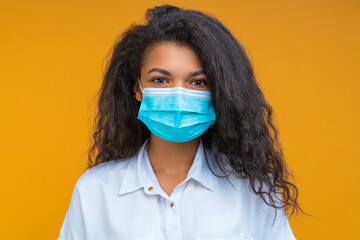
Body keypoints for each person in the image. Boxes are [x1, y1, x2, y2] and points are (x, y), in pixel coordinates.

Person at [57, 4, 304, 240]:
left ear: (218, 92)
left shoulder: (253, 189)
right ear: (138, 89)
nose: (178, 94)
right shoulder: (94, 191)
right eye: (160, 80)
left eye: (197, 82)